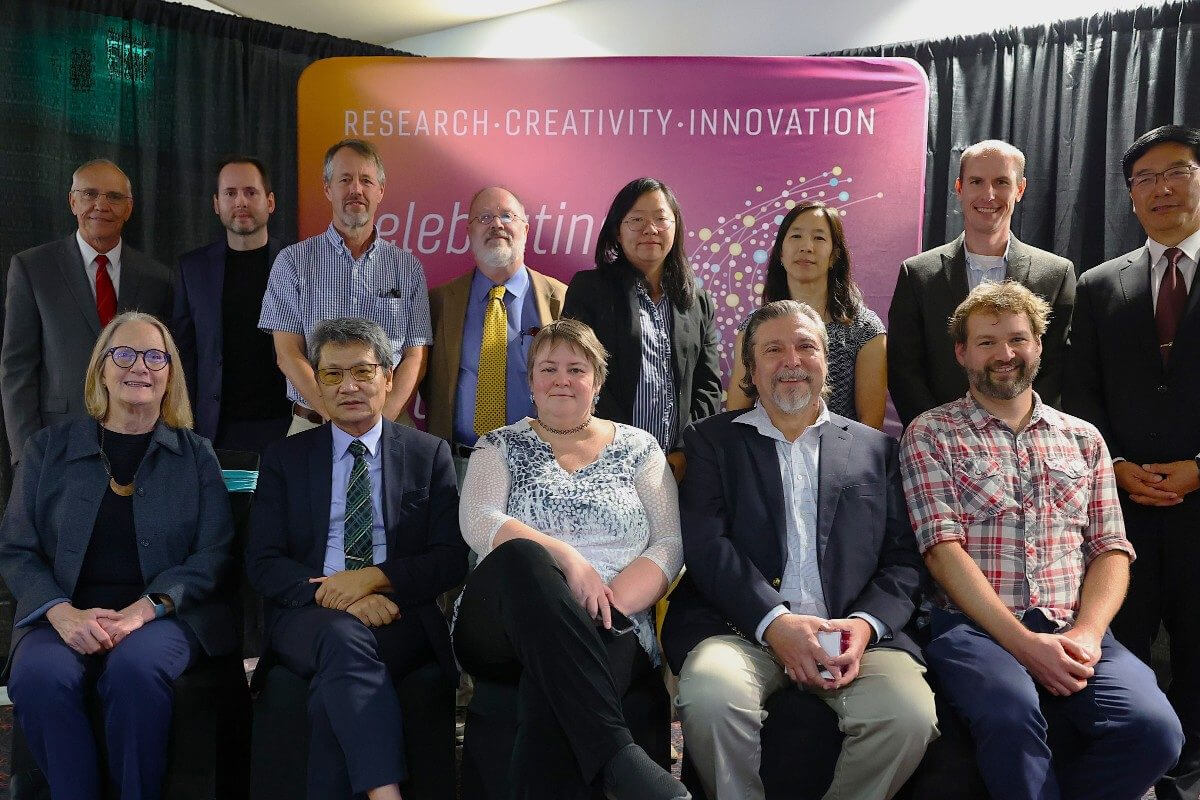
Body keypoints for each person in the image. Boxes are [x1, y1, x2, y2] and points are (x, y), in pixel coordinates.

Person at [903, 281, 1183, 800]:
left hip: (1074, 625)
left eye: (1017, 339)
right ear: (962, 352)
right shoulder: (930, 433)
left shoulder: (1084, 438)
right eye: (987, 341)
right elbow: (943, 553)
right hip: (972, 630)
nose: (1004, 354)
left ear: (1039, 345)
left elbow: (1111, 549)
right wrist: (1025, 645)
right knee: (1012, 717)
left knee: (1156, 732)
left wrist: (1088, 635)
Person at [662, 300, 936, 800]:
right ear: (751, 368)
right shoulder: (711, 442)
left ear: (826, 361)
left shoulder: (878, 449)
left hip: (851, 634)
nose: (792, 360)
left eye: (806, 346)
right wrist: (776, 624)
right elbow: (707, 548)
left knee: (908, 715)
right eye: (773, 349)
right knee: (709, 699)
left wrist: (864, 625)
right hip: (740, 628)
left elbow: (904, 559)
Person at [0, 311, 235, 800]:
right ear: (100, 369)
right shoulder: (47, 449)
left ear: (170, 374)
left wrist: (145, 609)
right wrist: (61, 614)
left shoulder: (197, 456)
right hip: (61, 614)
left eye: (155, 357)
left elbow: (214, 554)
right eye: (123, 354)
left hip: (163, 618)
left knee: (134, 671)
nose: (139, 368)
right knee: (40, 675)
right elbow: (17, 549)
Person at [453, 318, 689, 800]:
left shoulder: (639, 448)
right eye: (548, 368)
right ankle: (620, 756)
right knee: (523, 555)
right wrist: (569, 562)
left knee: (556, 673)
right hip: (500, 622)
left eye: (576, 369)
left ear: (597, 382)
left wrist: (609, 600)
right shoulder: (498, 444)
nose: (562, 379)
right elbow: (478, 519)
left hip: (614, 614)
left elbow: (669, 543)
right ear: (531, 381)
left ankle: (612, 757)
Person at [245, 317, 466, 800]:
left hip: (399, 613)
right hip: (307, 613)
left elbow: (450, 559)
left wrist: (372, 579)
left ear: (389, 378)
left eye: (362, 372)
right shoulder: (285, 457)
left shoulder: (429, 454)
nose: (348, 386)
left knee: (333, 688)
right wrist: (341, 596)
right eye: (331, 374)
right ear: (316, 385)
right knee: (343, 639)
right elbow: (263, 562)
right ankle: (385, 793)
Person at [1063, 123, 1200, 800]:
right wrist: (1112, 463)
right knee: (1128, 651)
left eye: (1176, 172)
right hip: (1122, 511)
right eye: (1144, 179)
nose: (1161, 189)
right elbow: (1079, 390)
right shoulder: (1098, 285)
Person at [887, 139, 1075, 427]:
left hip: (1027, 446)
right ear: (959, 188)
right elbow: (904, 371)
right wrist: (938, 434)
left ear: (1020, 189)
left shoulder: (1055, 274)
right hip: (939, 448)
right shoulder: (918, 275)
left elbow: (1058, 370)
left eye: (1001, 182)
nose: (989, 194)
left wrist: (1023, 430)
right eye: (976, 181)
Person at [2, 159, 174, 463]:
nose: (101, 205)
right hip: (56, 442)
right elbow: (17, 369)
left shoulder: (158, 278)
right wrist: (26, 454)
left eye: (114, 197)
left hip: (138, 444)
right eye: (89, 194)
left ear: (129, 208)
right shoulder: (33, 268)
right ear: (72, 201)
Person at [258, 138, 431, 435]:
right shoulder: (292, 262)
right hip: (312, 425)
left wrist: (380, 423)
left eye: (366, 180)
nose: (356, 190)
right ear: (328, 188)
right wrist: (335, 417)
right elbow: (287, 353)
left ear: (380, 191)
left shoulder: (408, 268)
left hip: (388, 425)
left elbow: (416, 355)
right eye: (345, 180)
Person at [562, 177, 721, 480]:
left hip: (678, 468)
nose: (650, 229)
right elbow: (578, 373)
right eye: (636, 220)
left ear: (676, 227)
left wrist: (684, 449)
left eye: (661, 219)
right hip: (606, 461)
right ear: (617, 232)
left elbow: (708, 386)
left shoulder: (698, 301)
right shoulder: (589, 289)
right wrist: (624, 445)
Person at [422, 185, 567, 482]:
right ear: (468, 232)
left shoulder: (562, 300)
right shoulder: (439, 302)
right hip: (460, 467)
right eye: (484, 218)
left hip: (541, 467)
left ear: (525, 229)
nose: (496, 224)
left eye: (506, 216)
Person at [726, 200, 887, 428]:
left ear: (834, 256)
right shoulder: (754, 327)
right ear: (780, 253)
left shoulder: (866, 330)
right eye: (796, 236)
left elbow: (870, 423)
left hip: (838, 456)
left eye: (819, 238)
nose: (807, 247)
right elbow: (736, 414)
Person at [171, 155, 289, 453]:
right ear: (216, 204)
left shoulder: (297, 263)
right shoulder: (193, 269)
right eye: (230, 193)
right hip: (216, 430)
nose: (240, 202)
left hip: (289, 425)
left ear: (270, 202)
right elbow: (183, 354)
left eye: (251, 192)